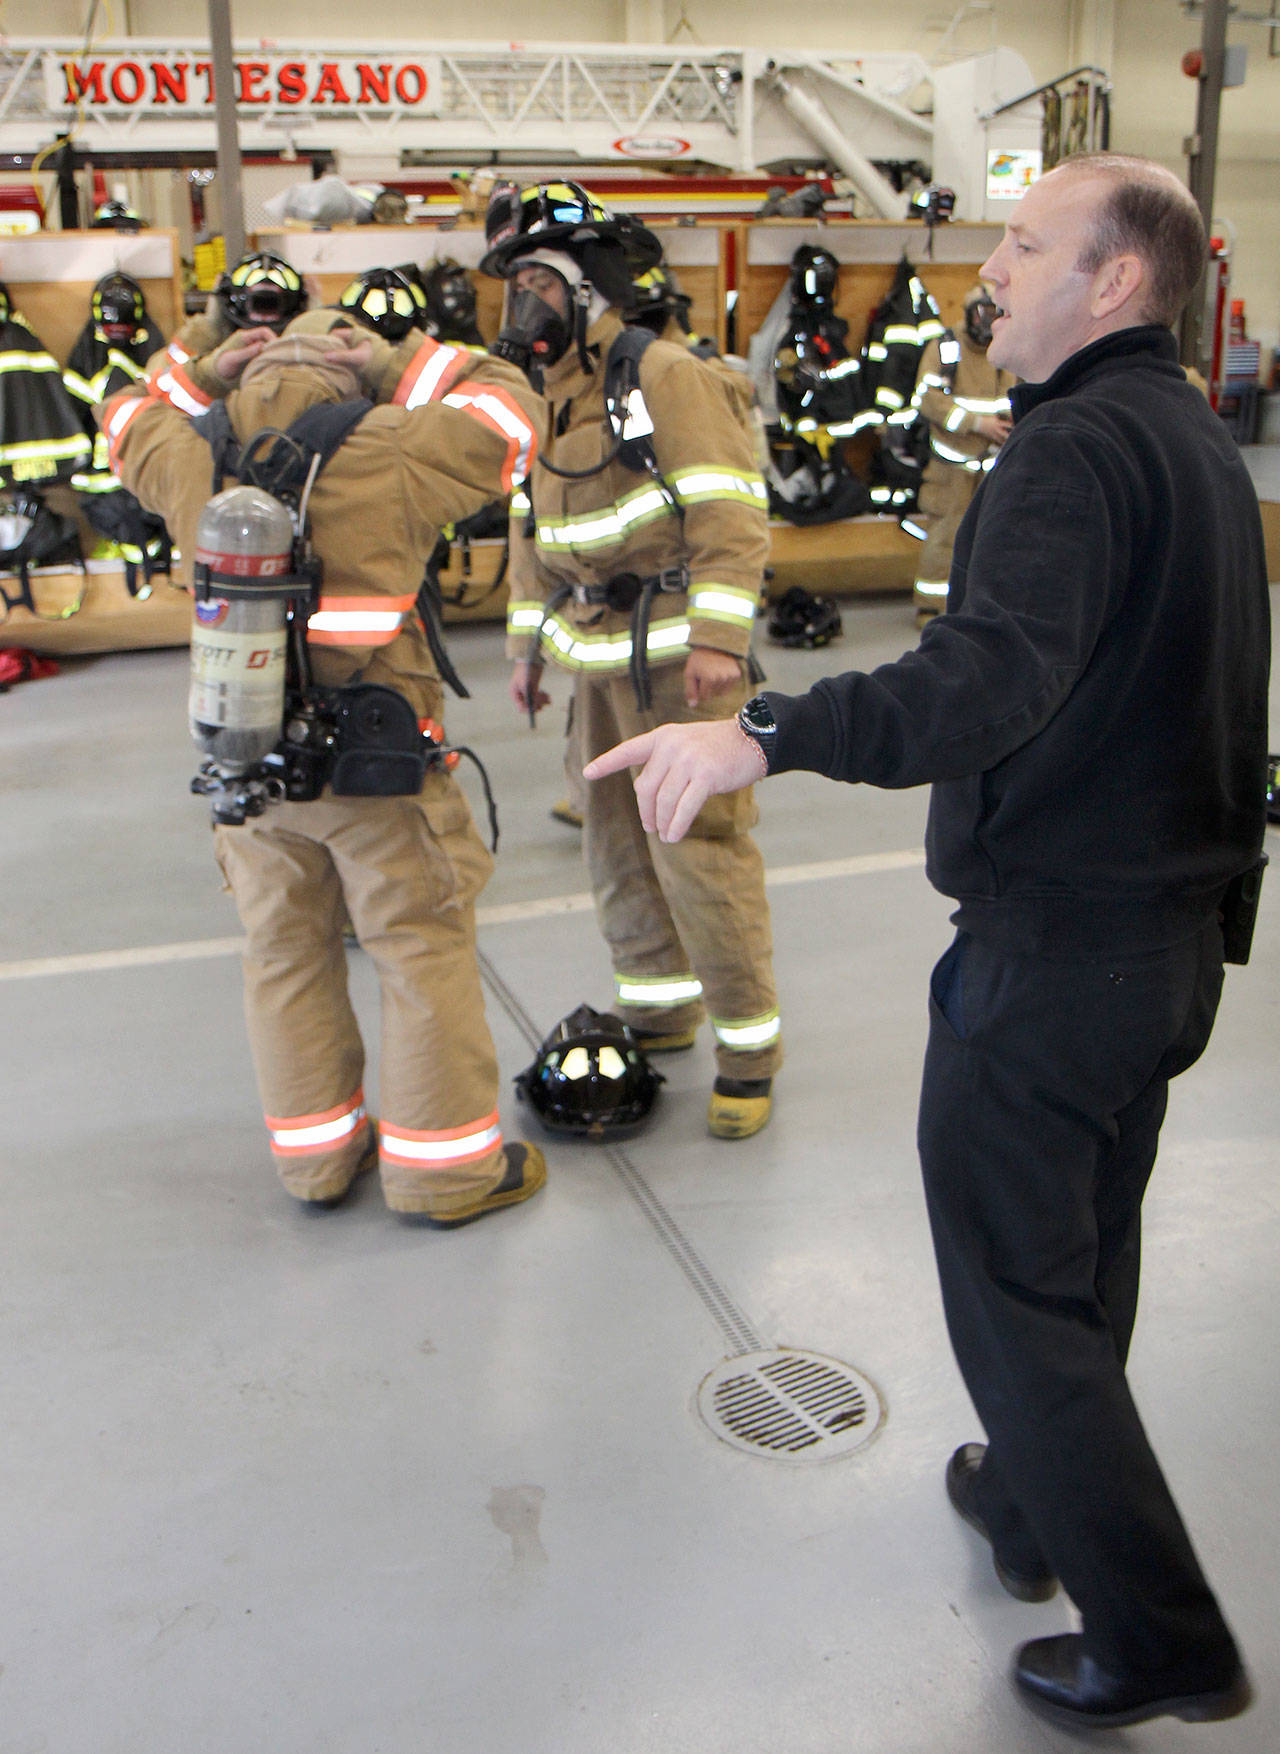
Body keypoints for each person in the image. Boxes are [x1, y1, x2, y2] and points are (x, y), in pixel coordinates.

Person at [584, 153, 1268, 1727]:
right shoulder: (1191, 445)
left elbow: (987, 679)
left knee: (1014, 1291)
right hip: (1161, 951)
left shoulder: (1074, 451)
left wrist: (765, 729)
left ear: (1113, 283)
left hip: (1058, 949)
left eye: (1028, 246)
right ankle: (1033, 1505)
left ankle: (1162, 1637)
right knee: (1081, 1254)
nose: (996, 269)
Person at [100, 311, 549, 1228]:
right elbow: (513, 416)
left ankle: (316, 1163)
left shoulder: (193, 454)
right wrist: (406, 361)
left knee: (283, 957)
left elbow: (120, 412)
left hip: (251, 769)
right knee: (419, 952)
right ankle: (445, 1175)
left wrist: (203, 366)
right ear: (348, 375)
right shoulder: (392, 444)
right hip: (378, 768)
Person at [484, 180, 782, 1140]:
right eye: (513, 281)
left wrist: (719, 642)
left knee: (699, 852)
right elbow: (532, 532)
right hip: (598, 667)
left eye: (533, 278)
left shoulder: (663, 375)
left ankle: (748, 1052)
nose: (518, 300)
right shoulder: (554, 397)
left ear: (582, 287)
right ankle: (660, 1005)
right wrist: (528, 647)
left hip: (673, 667)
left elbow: (731, 511)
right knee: (613, 844)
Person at [907, 282, 1016, 623]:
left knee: (995, 537)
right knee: (946, 536)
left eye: (994, 313)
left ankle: (981, 607)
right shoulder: (946, 347)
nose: (987, 322)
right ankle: (932, 608)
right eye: (981, 313)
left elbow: (1015, 395)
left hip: (994, 466)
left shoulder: (1006, 348)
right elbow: (929, 399)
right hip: (952, 465)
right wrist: (976, 424)